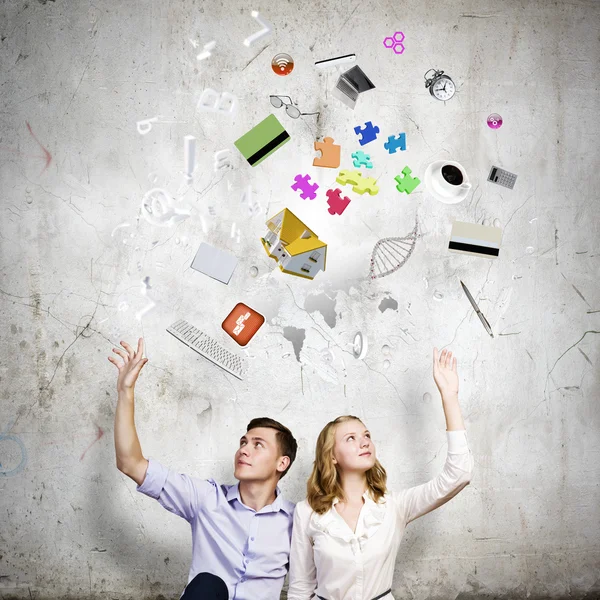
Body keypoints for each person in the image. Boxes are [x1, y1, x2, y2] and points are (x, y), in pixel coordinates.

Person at [109, 338, 298, 600]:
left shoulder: (297, 521)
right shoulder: (207, 498)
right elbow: (130, 462)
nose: (244, 449)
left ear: (282, 463)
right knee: (209, 584)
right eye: (243, 442)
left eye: (258, 445)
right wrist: (125, 392)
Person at [287, 347, 474, 600]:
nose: (364, 442)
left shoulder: (394, 506)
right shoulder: (306, 512)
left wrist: (449, 397)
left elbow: (459, 474)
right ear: (332, 456)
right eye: (350, 438)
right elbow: (300, 589)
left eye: (366, 436)